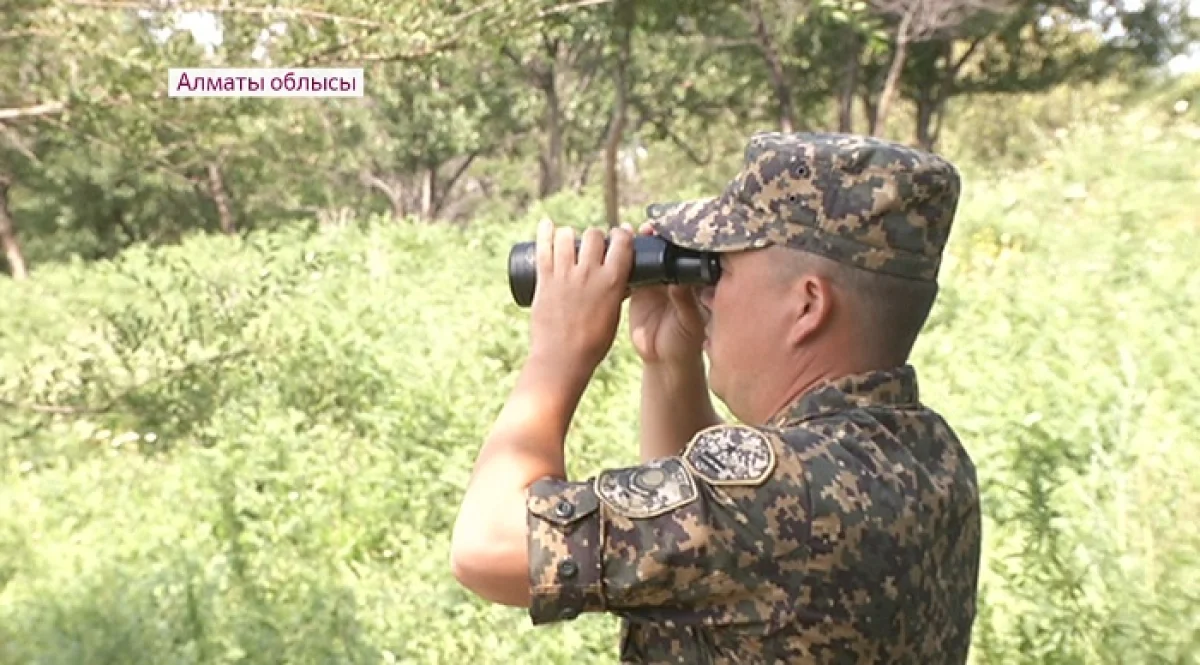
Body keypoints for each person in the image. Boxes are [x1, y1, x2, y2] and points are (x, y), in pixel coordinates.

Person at [449, 131, 982, 664]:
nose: (704, 292)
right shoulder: (934, 460)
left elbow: (487, 545)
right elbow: (710, 559)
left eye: (721, 269)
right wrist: (669, 362)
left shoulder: (777, 490)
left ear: (808, 305)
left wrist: (557, 354)